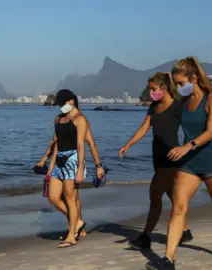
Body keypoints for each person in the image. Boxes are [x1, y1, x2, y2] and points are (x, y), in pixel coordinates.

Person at [146, 57, 212, 270]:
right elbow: (164, 116)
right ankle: (168, 259)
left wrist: (187, 146)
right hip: (189, 165)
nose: (180, 88)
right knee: (178, 207)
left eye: (181, 83)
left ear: (194, 78)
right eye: (177, 84)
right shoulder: (184, 103)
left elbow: (211, 131)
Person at [119, 72, 193, 250]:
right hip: (157, 158)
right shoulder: (153, 107)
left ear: (164, 88)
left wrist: (187, 149)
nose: (151, 92)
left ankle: (145, 237)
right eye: (150, 89)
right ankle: (185, 231)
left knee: (155, 194)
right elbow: (144, 128)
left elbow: (191, 129)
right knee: (172, 195)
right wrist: (128, 144)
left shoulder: (177, 107)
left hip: (171, 159)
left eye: (153, 89)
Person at [46, 89, 105, 248]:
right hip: (59, 161)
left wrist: (93, 166)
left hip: (73, 161)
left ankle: (71, 235)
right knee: (54, 197)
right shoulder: (58, 119)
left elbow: (85, 144)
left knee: (71, 198)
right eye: (58, 104)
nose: (60, 107)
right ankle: (78, 222)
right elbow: (56, 142)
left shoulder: (81, 120)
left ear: (71, 101)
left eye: (62, 103)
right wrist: (49, 163)